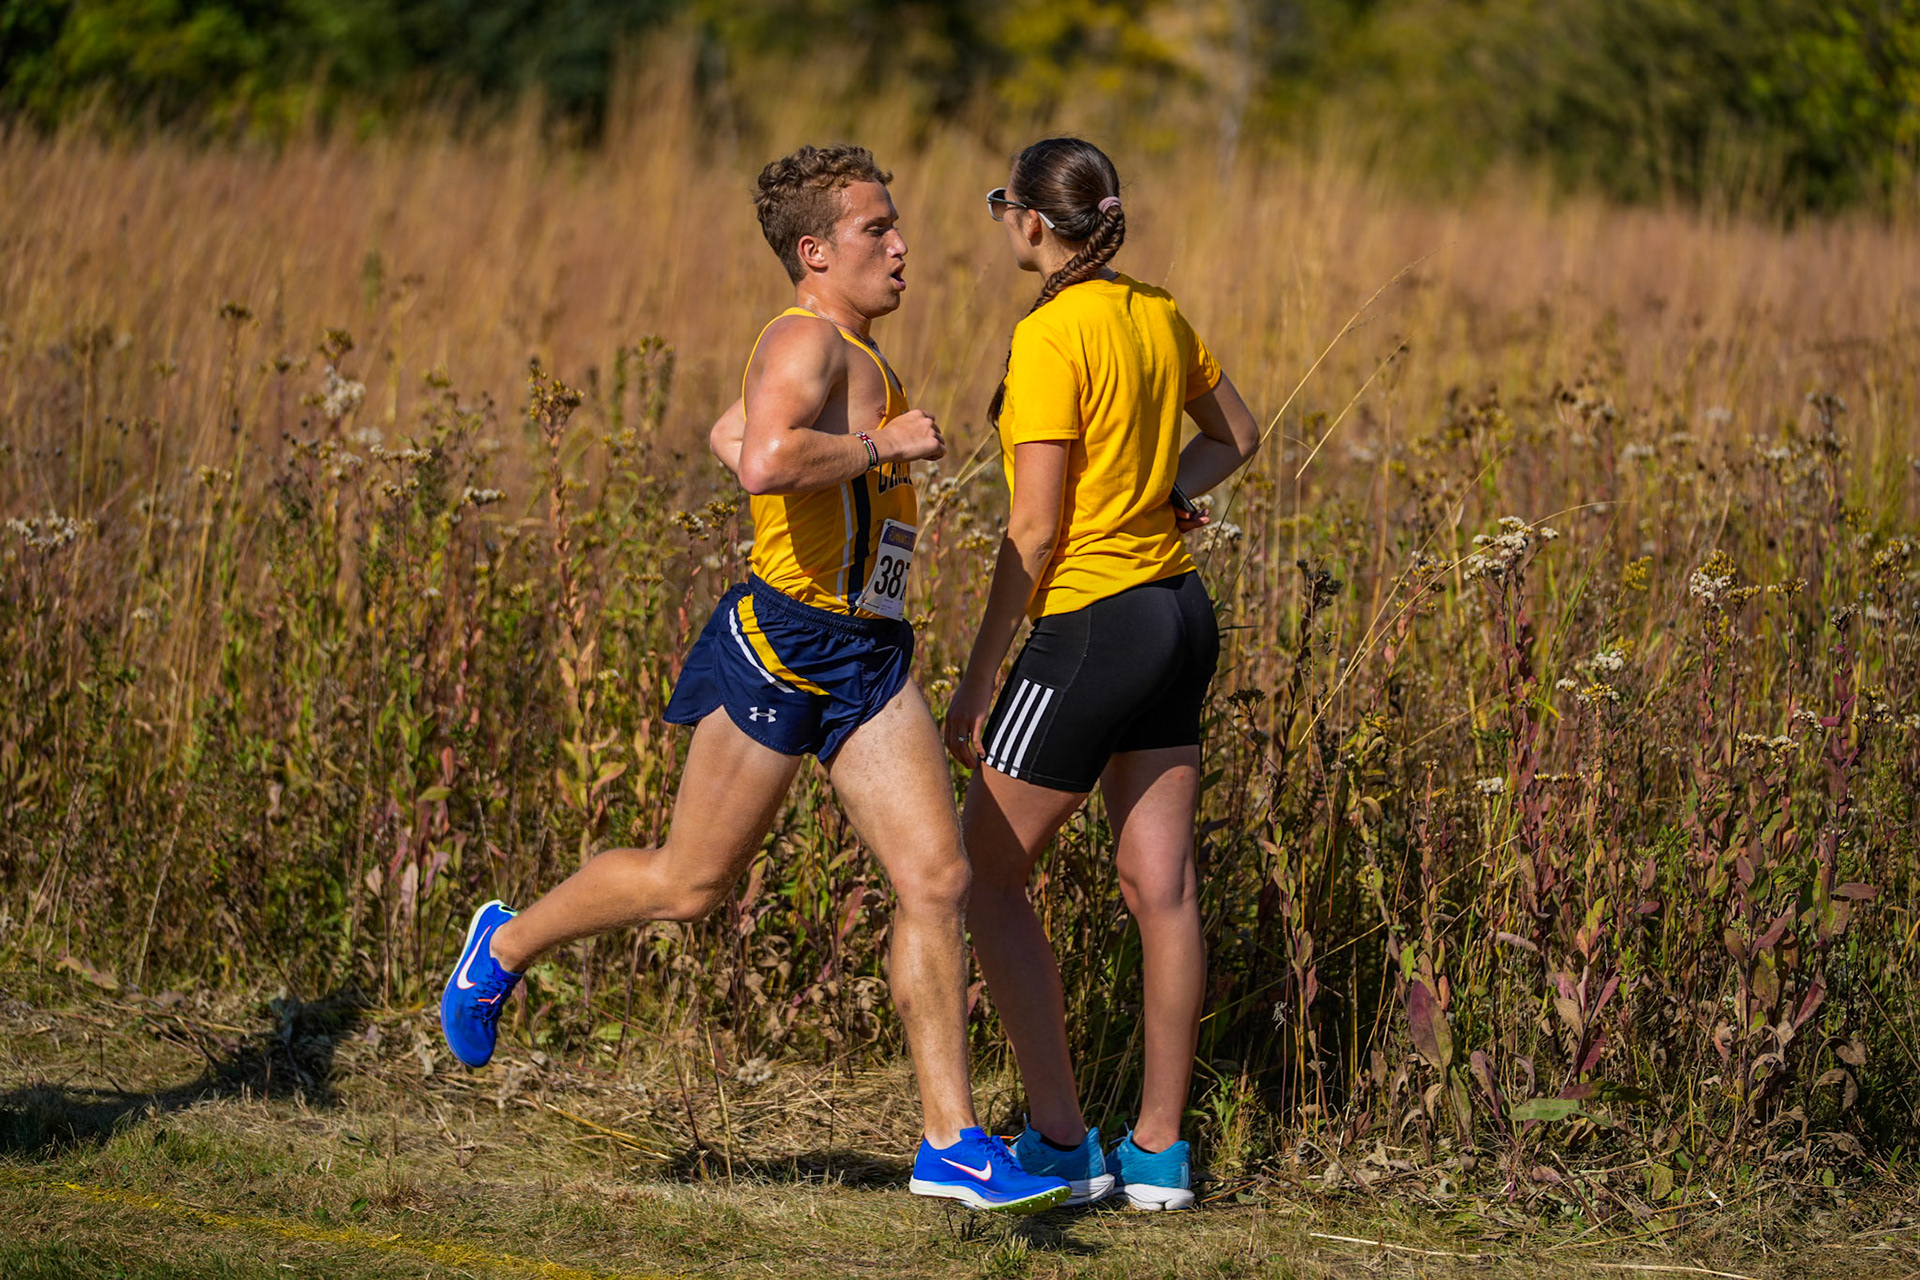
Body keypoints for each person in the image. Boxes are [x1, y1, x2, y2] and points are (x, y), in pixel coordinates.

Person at [440, 144, 1069, 1215]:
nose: (902, 245)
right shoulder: (802, 337)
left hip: (869, 656)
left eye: (897, 224)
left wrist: (787, 436)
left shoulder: (850, 349)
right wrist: (883, 446)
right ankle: (501, 945)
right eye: (877, 230)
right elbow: (767, 461)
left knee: (938, 879)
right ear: (814, 252)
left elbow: (738, 433)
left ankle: (951, 1144)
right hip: (784, 645)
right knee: (690, 887)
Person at [942, 137, 1261, 1210]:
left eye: (1003, 203)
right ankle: (1160, 1154)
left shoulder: (1049, 335)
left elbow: (1034, 532)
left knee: (982, 874)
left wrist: (979, 677)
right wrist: (1169, 493)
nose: (1002, 219)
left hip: (1090, 626)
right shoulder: (1157, 312)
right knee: (1162, 888)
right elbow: (1238, 434)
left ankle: (1063, 1143)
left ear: (1033, 221)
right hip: (1178, 615)